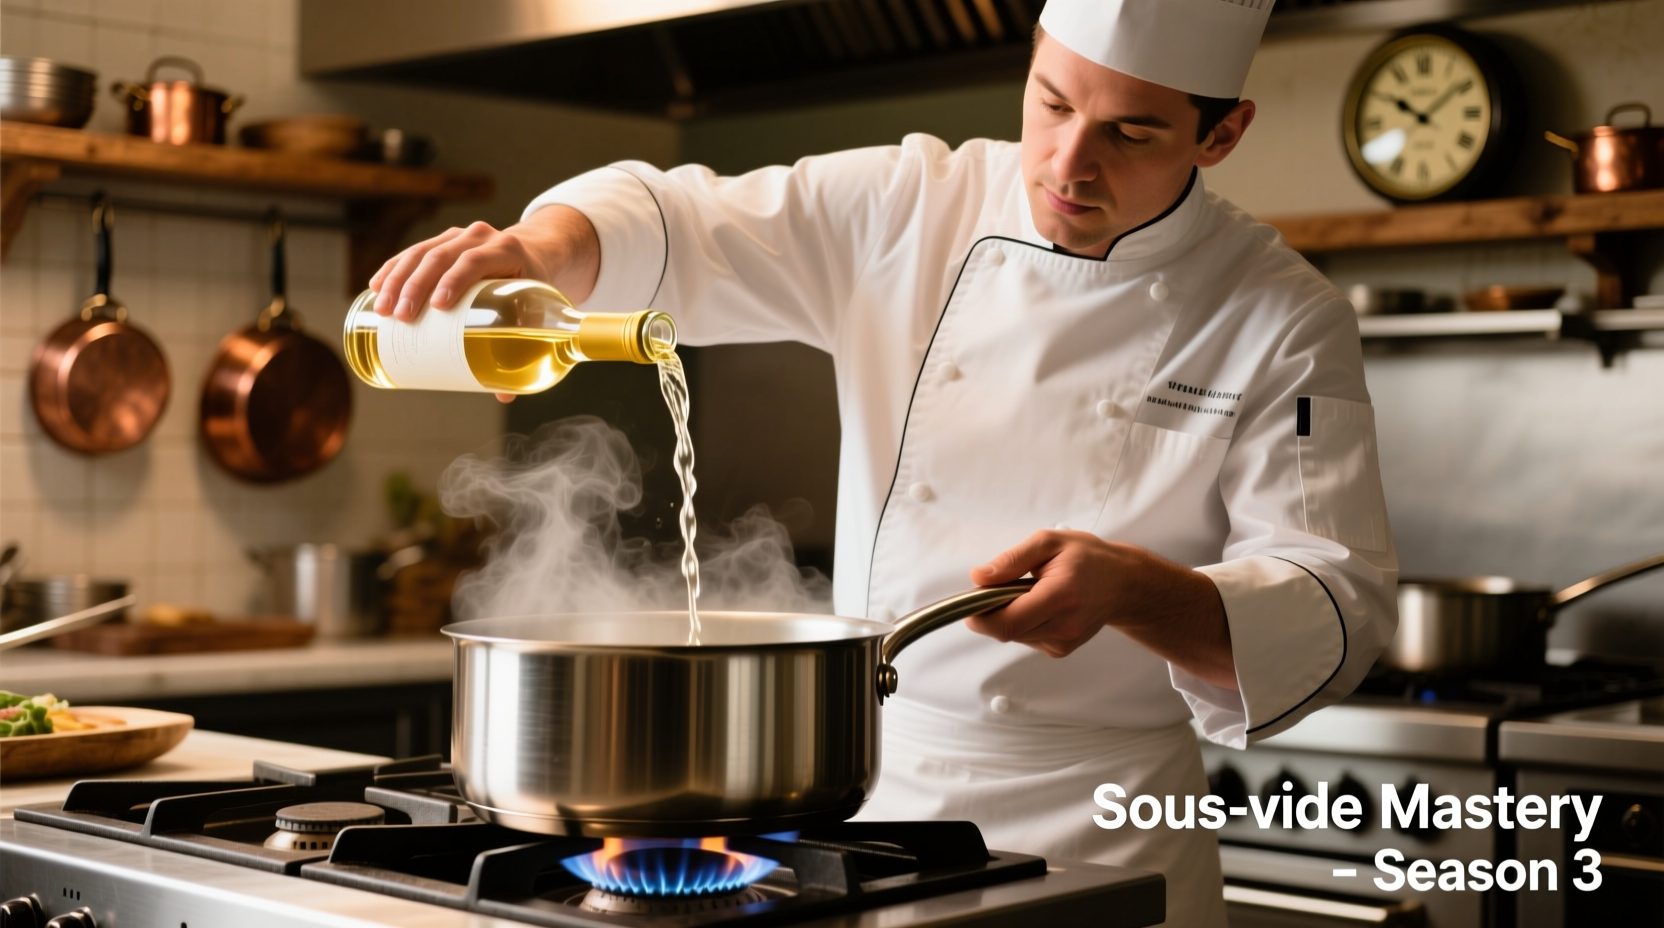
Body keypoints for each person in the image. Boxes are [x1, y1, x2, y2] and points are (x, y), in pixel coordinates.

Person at [369, 1, 1398, 923]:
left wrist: (1142, 593)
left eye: (1129, 132)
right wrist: (545, 254)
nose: (1066, 164)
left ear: (1220, 132)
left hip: (1107, 833)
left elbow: (1332, 602)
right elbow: (680, 216)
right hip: (870, 815)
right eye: (1050, 103)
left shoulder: (1280, 316)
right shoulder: (913, 206)